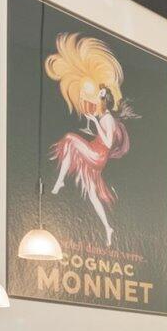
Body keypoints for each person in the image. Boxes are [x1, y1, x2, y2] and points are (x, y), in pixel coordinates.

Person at [44, 33, 135, 246]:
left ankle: (60, 181)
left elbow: (106, 140)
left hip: (98, 153)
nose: (93, 102)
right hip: (95, 152)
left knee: (69, 139)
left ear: (102, 102)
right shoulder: (103, 116)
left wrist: (94, 122)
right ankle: (107, 228)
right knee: (92, 195)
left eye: (96, 99)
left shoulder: (108, 119)